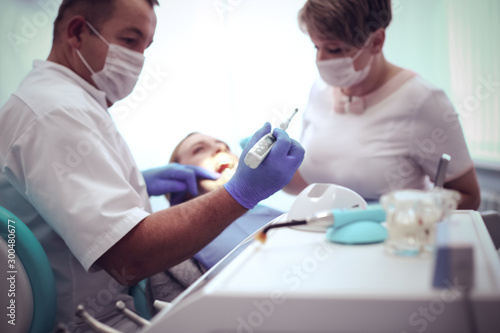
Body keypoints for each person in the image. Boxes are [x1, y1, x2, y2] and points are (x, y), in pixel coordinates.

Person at [0, 0, 304, 331]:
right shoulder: (55, 112)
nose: (139, 60)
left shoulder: (68, 103)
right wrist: (241, 192)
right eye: (130, 41)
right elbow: (130, 258)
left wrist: (137, 183)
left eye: (146, 47)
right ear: (76, 32)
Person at [284, 0, 480, 210]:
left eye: (334, 49)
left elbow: (469, 198)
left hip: (392, 239)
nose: (320, 60)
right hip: (315, 234)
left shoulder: (423, 101)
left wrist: (396, 210)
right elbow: (311, 182)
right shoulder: (319, 90)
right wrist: (269, 169)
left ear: (376, 41)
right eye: (316, 46)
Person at [147, 132, 284, 307]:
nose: (220, 148)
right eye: (198, 149)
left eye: (225, 147)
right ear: (177, 175)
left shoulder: (276, 213)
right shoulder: (169, 251)